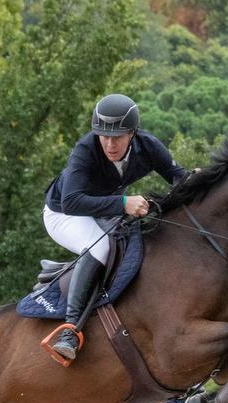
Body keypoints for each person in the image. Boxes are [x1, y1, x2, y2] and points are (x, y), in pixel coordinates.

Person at [42, 94, 186, 363]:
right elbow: (71, 201)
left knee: (138, 244)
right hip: (63, 214)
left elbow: (178, 177)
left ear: (132, 133)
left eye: (117, 136)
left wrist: (197, 181)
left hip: (103, 210)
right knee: (100, 247)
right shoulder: (85, 150)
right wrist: (123, 203)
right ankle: (69, 331)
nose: (109, 143)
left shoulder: (149, 146)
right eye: (103, 135)